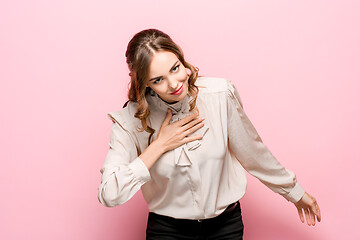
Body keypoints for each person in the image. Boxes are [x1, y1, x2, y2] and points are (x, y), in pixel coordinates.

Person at [97, 28, 321, 239]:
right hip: (167, 231)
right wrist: (160, 145)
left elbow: (254, 154)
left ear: (181, 59)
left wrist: (295, 193)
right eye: (158, 80)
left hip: (226, 227)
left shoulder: (219, 95)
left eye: (175, 68)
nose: (174, 84)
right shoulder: (129, 120)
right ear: (144, 81)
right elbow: (109, 193)